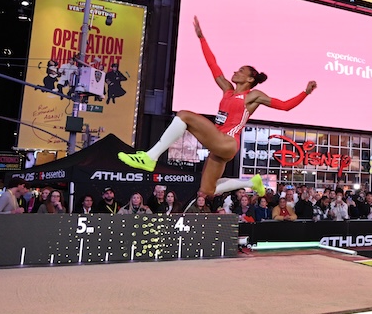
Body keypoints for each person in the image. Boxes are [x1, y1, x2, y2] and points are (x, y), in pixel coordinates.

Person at [119, 16, 313, 202]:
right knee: (207, 191)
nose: (235, 71)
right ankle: (252, 182)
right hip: (218, 143)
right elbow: (213, 64)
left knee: (184, 115)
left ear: (250, 79)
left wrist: (305, 92)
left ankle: (150, 157)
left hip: (227, 142)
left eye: (241, 71)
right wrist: (201, 38)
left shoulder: (252, 96)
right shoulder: (228, 90)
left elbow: (285, 106)